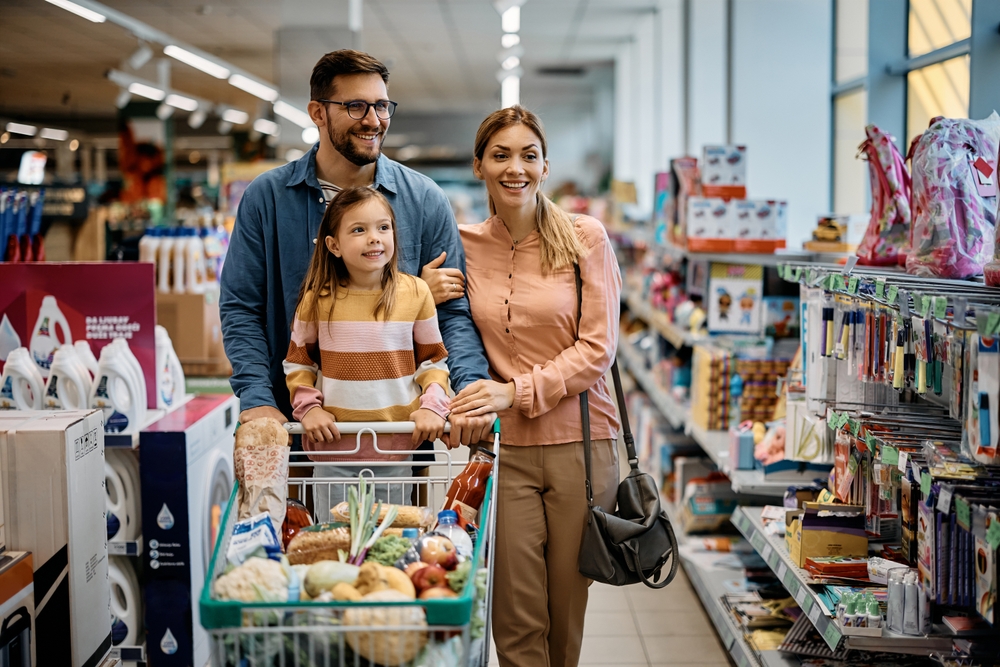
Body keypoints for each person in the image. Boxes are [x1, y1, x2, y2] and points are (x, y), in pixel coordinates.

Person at [220, 49, 494, 446]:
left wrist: (469, 392)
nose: (373, 120)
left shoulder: (422, 199)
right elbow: (242, 308)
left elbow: (452, 314)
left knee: (399, 514)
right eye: (355, 106)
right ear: (317, 112)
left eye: (382, 106)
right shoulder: (268, 198)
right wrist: (258, 398)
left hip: (399, 436)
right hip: (295, 432)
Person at [448, 106, 622, 667]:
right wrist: (419, 288)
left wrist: (514, 392)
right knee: (515, 615)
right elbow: (429, 322)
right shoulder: (462, 244)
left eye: (528, 155)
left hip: (583, 449)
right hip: (506, 452)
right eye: (500, 155)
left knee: (565, 612)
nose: (514, 168)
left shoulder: (585, 238)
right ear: (479, 166)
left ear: (545, 166)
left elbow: (597, 349)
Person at [284, 187, 449, 510]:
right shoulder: (317, 299)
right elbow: (298, 362)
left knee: (389, 545)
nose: (374, 238)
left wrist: (432, 405)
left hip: (396, 448)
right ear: (333, 245)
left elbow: (433, 362)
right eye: (359, 230)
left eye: (383, 227)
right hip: (333, 450)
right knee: (334, 543)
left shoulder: (415, 292)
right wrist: (309, 408)